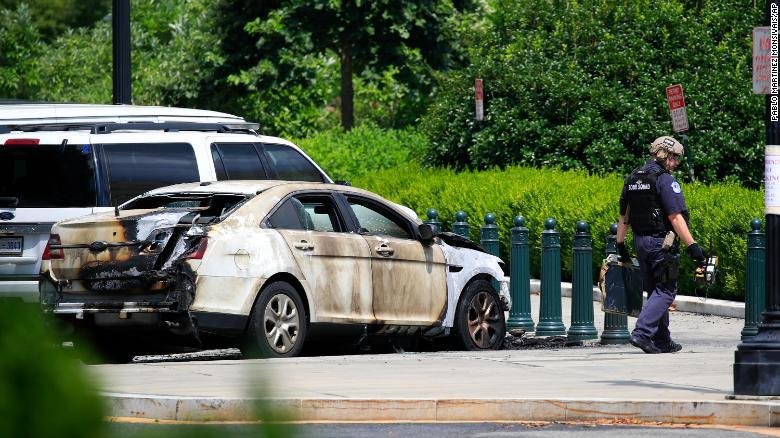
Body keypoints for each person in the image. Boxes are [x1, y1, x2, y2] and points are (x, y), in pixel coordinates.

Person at [615, 136, 706, 354]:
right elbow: (675, 217)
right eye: (676, 158)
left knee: (655, 289)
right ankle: (642, 333)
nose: (676, 164)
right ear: (666, 155)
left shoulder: (633, 178)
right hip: (661, 243)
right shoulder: (664, 180)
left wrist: (620, 243)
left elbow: (624, 215)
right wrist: (692, 245)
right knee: (666, 289)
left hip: (640, 241)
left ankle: (662, 339)